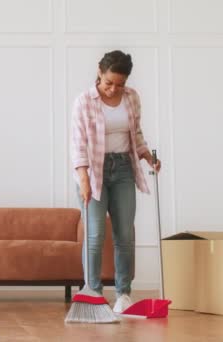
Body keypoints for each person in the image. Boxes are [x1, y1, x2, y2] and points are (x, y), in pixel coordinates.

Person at [70, 50, 162, 313]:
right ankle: (94, 294)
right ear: (100, 72)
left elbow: (137, 133)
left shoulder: (132, 97)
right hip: (93, 171)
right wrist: (84, 178)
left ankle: (123, 294)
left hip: (123, 169)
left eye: (119, 84)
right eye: (109, 82)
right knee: (95, 235)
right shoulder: (84, 101)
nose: (113, 89)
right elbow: (78, 144)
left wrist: (146, 156)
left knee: (124, 235)